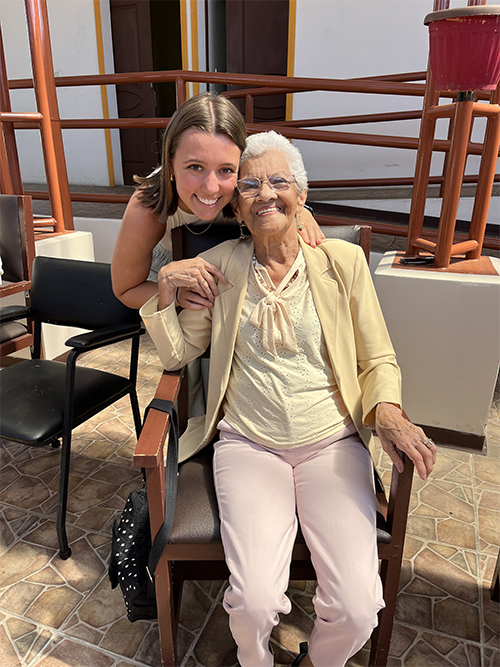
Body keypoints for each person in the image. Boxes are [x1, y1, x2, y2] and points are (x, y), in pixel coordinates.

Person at [140, 131, 437, 667]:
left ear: (301, 194)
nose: (264, 193)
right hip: (249, 446)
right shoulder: (222, 265)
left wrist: (388, 410)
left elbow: (378, 357)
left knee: (357, 606)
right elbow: (179, 353)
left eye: (279, 181)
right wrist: (164, 287)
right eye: (249, 184)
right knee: (253, 603)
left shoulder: (340, 263)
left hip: (331, 444)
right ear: (236, 203)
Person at [111, 92, 324, 312]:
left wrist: (300, 211)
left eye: (226, 170)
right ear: (170, 163)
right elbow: (126, 289)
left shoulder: (246, 184)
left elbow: (280, 188)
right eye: (195, 167)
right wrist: (175, 293)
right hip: (169, 269)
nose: (211, 188)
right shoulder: (149, 205)